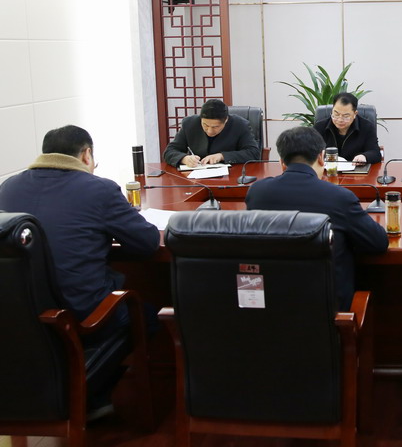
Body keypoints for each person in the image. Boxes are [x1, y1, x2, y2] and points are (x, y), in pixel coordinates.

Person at [0, 125, 160, 416]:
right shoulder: (99, 189)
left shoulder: (8, 187)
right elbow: (148, 243)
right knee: (149, 315)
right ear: (87, 155)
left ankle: (86, 397)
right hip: (80, 314)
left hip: (22, 317)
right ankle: (90, 397)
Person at [245, 126, 388, 309]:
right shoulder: (339, 197)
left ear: (281, 162)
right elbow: (378, 243)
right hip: (329, 311)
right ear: (321, 157)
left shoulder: (257, 192)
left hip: (271, 305)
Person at [163, 99, 261, 168]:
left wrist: (222, 156)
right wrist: (184, 158)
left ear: (226, 120)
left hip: (231, 176)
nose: (209, 131)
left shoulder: (240, 125)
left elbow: (254, 153)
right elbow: (169, 151)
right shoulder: (189, 124)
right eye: (205, 125)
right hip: (197, 177)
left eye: (215, 127)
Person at [313, 92, 382, 164]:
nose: (340, 120)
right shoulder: (319, 127)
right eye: (336, 114)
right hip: (328, 169)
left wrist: (364, 156)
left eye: (346, 116)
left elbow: (375, 153)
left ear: (355, 114)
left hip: (356, 169)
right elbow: (310, 151)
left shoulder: (367, 127)